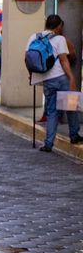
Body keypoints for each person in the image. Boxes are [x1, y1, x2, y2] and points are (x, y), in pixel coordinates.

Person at [27, 14, 82, 152]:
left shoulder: (34, 37)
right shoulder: (59, 39)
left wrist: (31, 76)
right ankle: (74, 135)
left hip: (47, 80)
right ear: (58, 27)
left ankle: (48, 144)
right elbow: (64, 60)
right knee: (70, 107)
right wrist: (72, 78)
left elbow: (27, 59)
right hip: (61, 78)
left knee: (52, 112)